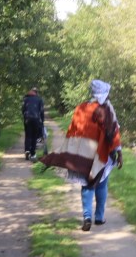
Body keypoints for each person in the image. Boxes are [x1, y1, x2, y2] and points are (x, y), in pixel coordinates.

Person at [39, 79, 122, 232]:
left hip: (83, 154)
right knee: (101, 184)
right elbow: (114, 131)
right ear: (104, 94)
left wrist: (70, 151)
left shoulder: (81, 108)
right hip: (102, 154)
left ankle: (87, 217)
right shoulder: (107, 108)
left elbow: (73, 130)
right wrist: (119, 152)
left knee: (87, 184)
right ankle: (99, 217)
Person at [21, 87, 46, 161]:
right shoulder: (39, 99)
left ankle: (27, 150)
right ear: (36, 93)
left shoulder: (25, 99)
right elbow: (41, 111)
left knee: (28, 135)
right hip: (36, 119)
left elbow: (23, 110)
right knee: (34, 136)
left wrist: (25, 117)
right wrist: (42, 120)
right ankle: (32, 154)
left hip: (27, 119)